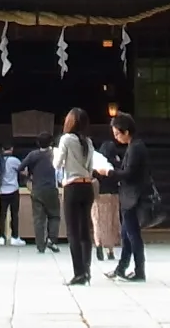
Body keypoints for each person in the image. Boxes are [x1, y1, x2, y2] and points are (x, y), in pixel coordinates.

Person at [54, 107, 101, 286]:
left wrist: (54, 154)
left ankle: (78, 272)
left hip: (72, 186)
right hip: (86, 185)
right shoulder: (88, 142)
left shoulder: (66, 139)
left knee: (72, 232)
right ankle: (87, 270)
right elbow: (90, 168)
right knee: (84, 231)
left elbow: (57, 164)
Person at [104, 112, 149, 282]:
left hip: (133, 197)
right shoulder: (134, 146)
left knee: (133, 235)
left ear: (126, 131)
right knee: (127, 235)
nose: (116, 138)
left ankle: (139, 270)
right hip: (130, 196)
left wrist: (110, 172)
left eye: (117, 134)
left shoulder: (136, 147)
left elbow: (129, 173)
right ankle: (121, 268)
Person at [20, 131, 61, 253]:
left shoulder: (33, 155)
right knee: (54, 216)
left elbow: (20, 167)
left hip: (37, 189)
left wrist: (29, 178)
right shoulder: (54, 153)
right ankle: (51, 240)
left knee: (39, 219)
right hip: (51, 188)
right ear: (51, 142)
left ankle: (40, 246)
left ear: (38, 143)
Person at [92, 134, 124, 262]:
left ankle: (99, 244)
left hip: (99, 195)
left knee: (98, 220)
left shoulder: (98, 163)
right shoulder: (117, 163)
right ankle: (110, 251)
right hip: (114, 195)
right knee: (112, 222)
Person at [0, 141, 25, 246]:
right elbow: (23, 171)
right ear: (11, 149)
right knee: (14, 214)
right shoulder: (14, 160)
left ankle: (1, 237)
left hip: (2, 190)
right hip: (13, 190)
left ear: (2, 149)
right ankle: (14, 237)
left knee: (2, 214)